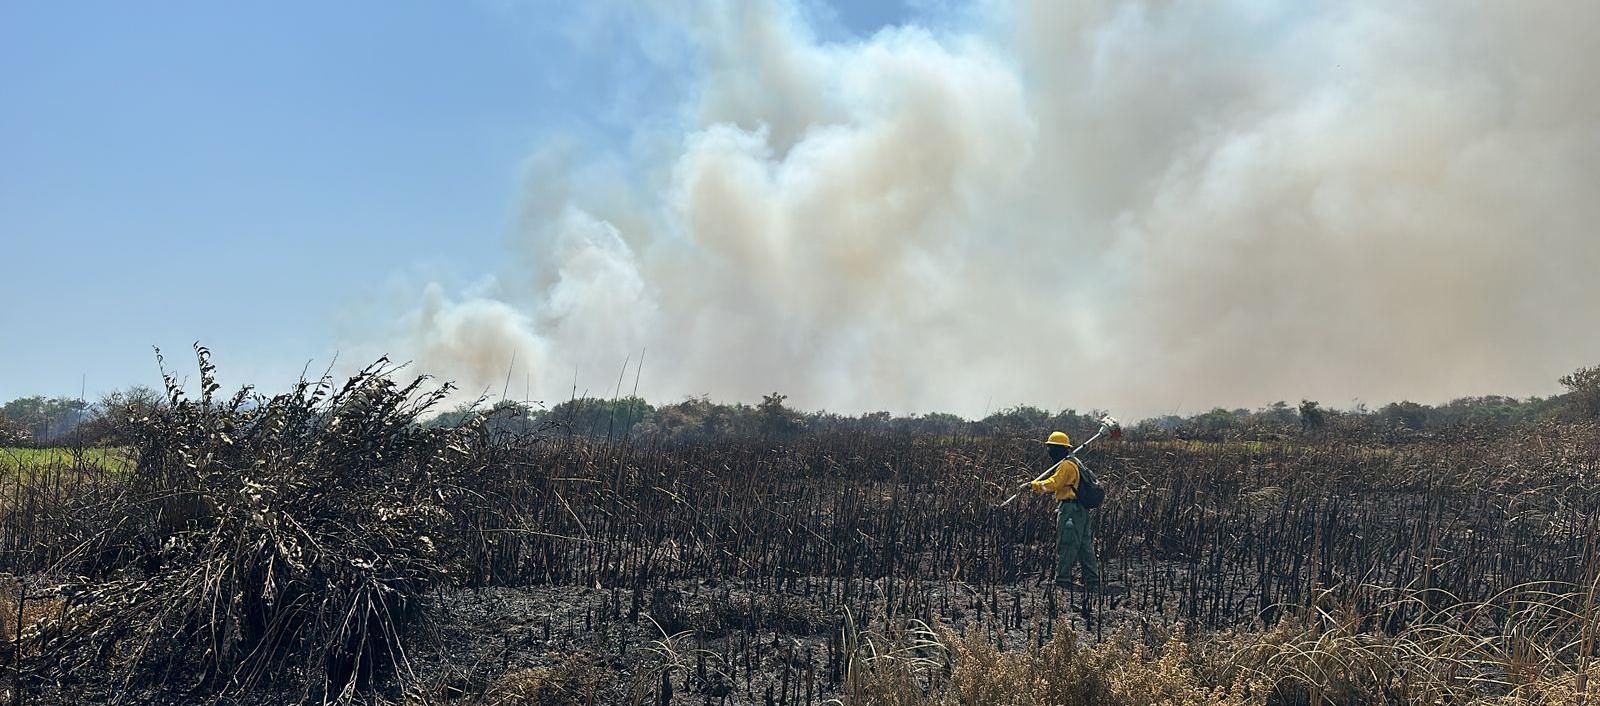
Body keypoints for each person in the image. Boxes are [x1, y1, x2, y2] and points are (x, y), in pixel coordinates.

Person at [1021, 431, 1102, 590]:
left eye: (1052, 448)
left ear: (1059, 449)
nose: (1050, 451)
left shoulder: (1066, 465)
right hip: (1081, 510)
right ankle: (1092, 580)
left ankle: (1063, 579)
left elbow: (1054, 483)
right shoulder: (1074, 462)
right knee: (1084, 546)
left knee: (1068, 543)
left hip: (1071, 509)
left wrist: (1033, 486)